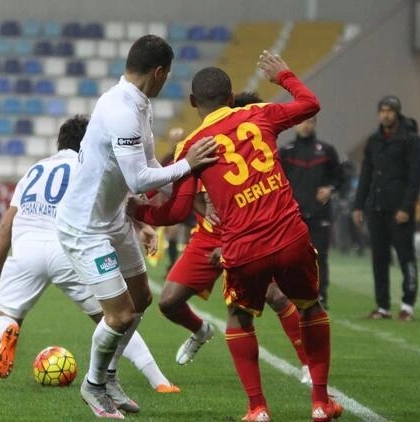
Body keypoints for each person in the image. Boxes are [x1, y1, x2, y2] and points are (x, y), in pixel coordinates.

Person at [133, 53, 340, 422]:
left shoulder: (193, 146)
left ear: (193, 102)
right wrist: (284, 75)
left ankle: (257, 408)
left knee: (240, 317)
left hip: (242, 246)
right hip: (288, 235)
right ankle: (321, 402)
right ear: (231, 97)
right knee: (310, 306)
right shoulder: (260, 114)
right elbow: (310, 104)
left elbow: (175, 213)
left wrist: (138, 212)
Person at [54, 34, 217, 419]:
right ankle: (93, 386)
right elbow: (139, 178)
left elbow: (147, 168)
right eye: (168, 75)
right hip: (85, 228)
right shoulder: (121, 110)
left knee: (141, 297)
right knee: (120, 315)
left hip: (112, 218)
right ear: (159, 72)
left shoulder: (140, 105)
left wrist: (175, 201)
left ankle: (109, 378)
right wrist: (188, 165)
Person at [0, 115, 179, 394]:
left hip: (26, 249)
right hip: (69, 248)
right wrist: (142, 227)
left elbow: (6, 224)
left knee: (4, 316)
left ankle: (6, 330)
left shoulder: (35, 170)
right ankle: (158, 380)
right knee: (115, 318)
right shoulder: (90, 167)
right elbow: (114, 206)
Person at [142, 91, 312, 387]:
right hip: (207, 239)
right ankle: (200, 331)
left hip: (247, 236)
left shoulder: (250, 151)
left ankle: (307, 364)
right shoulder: (204, 144)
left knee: (275, 295)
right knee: (169, 302)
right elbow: (172, 182)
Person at [352, 95, 420, 322]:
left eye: (390, 111)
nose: (386, 115)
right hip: (376, 208)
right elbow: (366, 175)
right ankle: (382, 306)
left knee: (406, 257)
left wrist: (407, 207)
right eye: (382, 111)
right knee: (379, 259)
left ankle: (408, 306)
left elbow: (416, 178)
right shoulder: (374, 141)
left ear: (397, 113)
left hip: (399, 210)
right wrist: (358, 205)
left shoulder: (412, 140)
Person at [279, 115, 344, 308]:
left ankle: (320, 295)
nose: (305, 125)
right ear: (295, 125)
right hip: (293, 214)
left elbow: (340, 178)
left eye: (309, 122)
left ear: (315, 124)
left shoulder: (326, 151)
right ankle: (294, 294)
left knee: (319, 256)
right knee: (292, 257)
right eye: (301, 121)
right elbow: (277, 181)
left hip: (319, 213)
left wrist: (330, 189)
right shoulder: (286, 152)